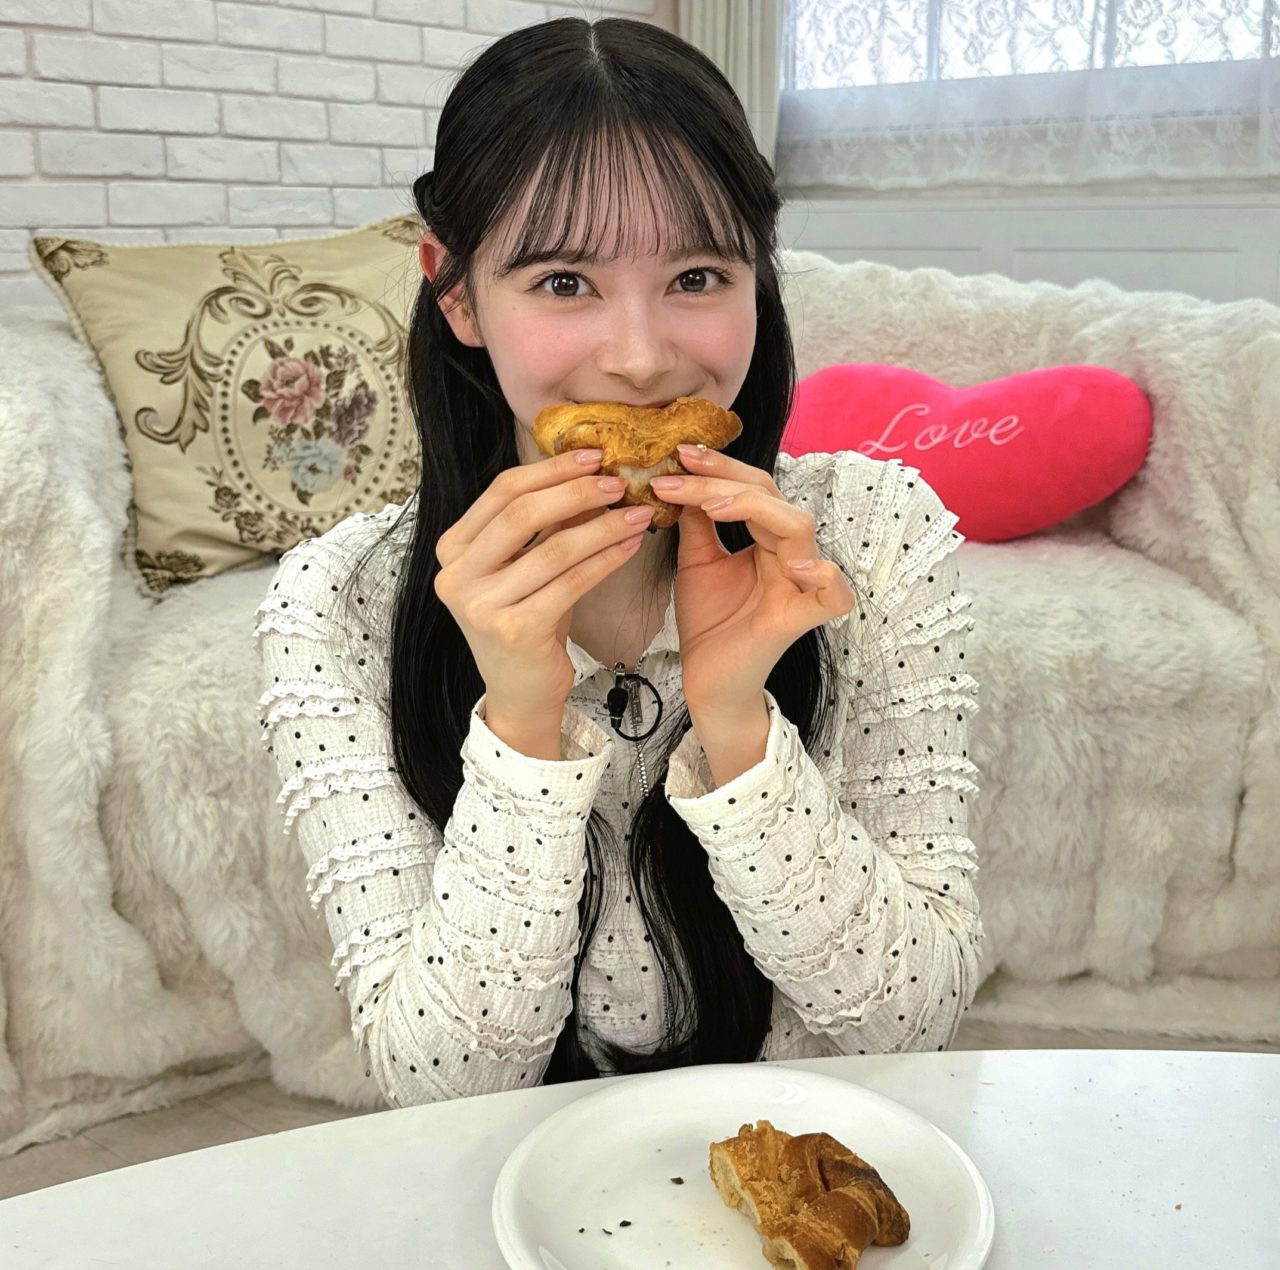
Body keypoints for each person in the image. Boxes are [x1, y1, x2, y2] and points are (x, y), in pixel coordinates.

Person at [254, 16, 984, 1108]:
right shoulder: (335, 603)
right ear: (456, 293)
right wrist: (521, 725)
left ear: (758, 279)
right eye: (563, 282)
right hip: (517, 1174)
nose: (641, 360)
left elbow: (909, 1022)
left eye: (697, 275)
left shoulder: (875, 534)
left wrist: (737, 727)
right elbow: (440, 1090)